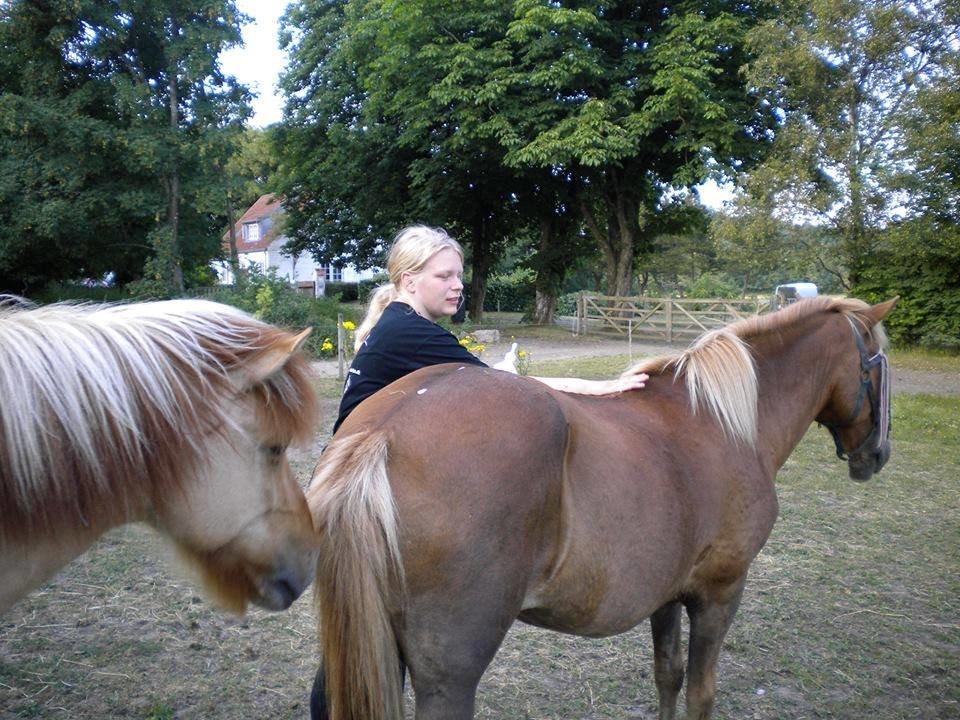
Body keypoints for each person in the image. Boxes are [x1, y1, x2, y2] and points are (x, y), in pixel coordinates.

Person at [332, 225, 648, 434]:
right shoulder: (409, 332)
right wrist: (597, 387)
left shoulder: (398, 321)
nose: (458, 286)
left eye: (458, 275)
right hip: (357, 472)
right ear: (409, 281)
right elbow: (509, 385)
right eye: (444, 277)